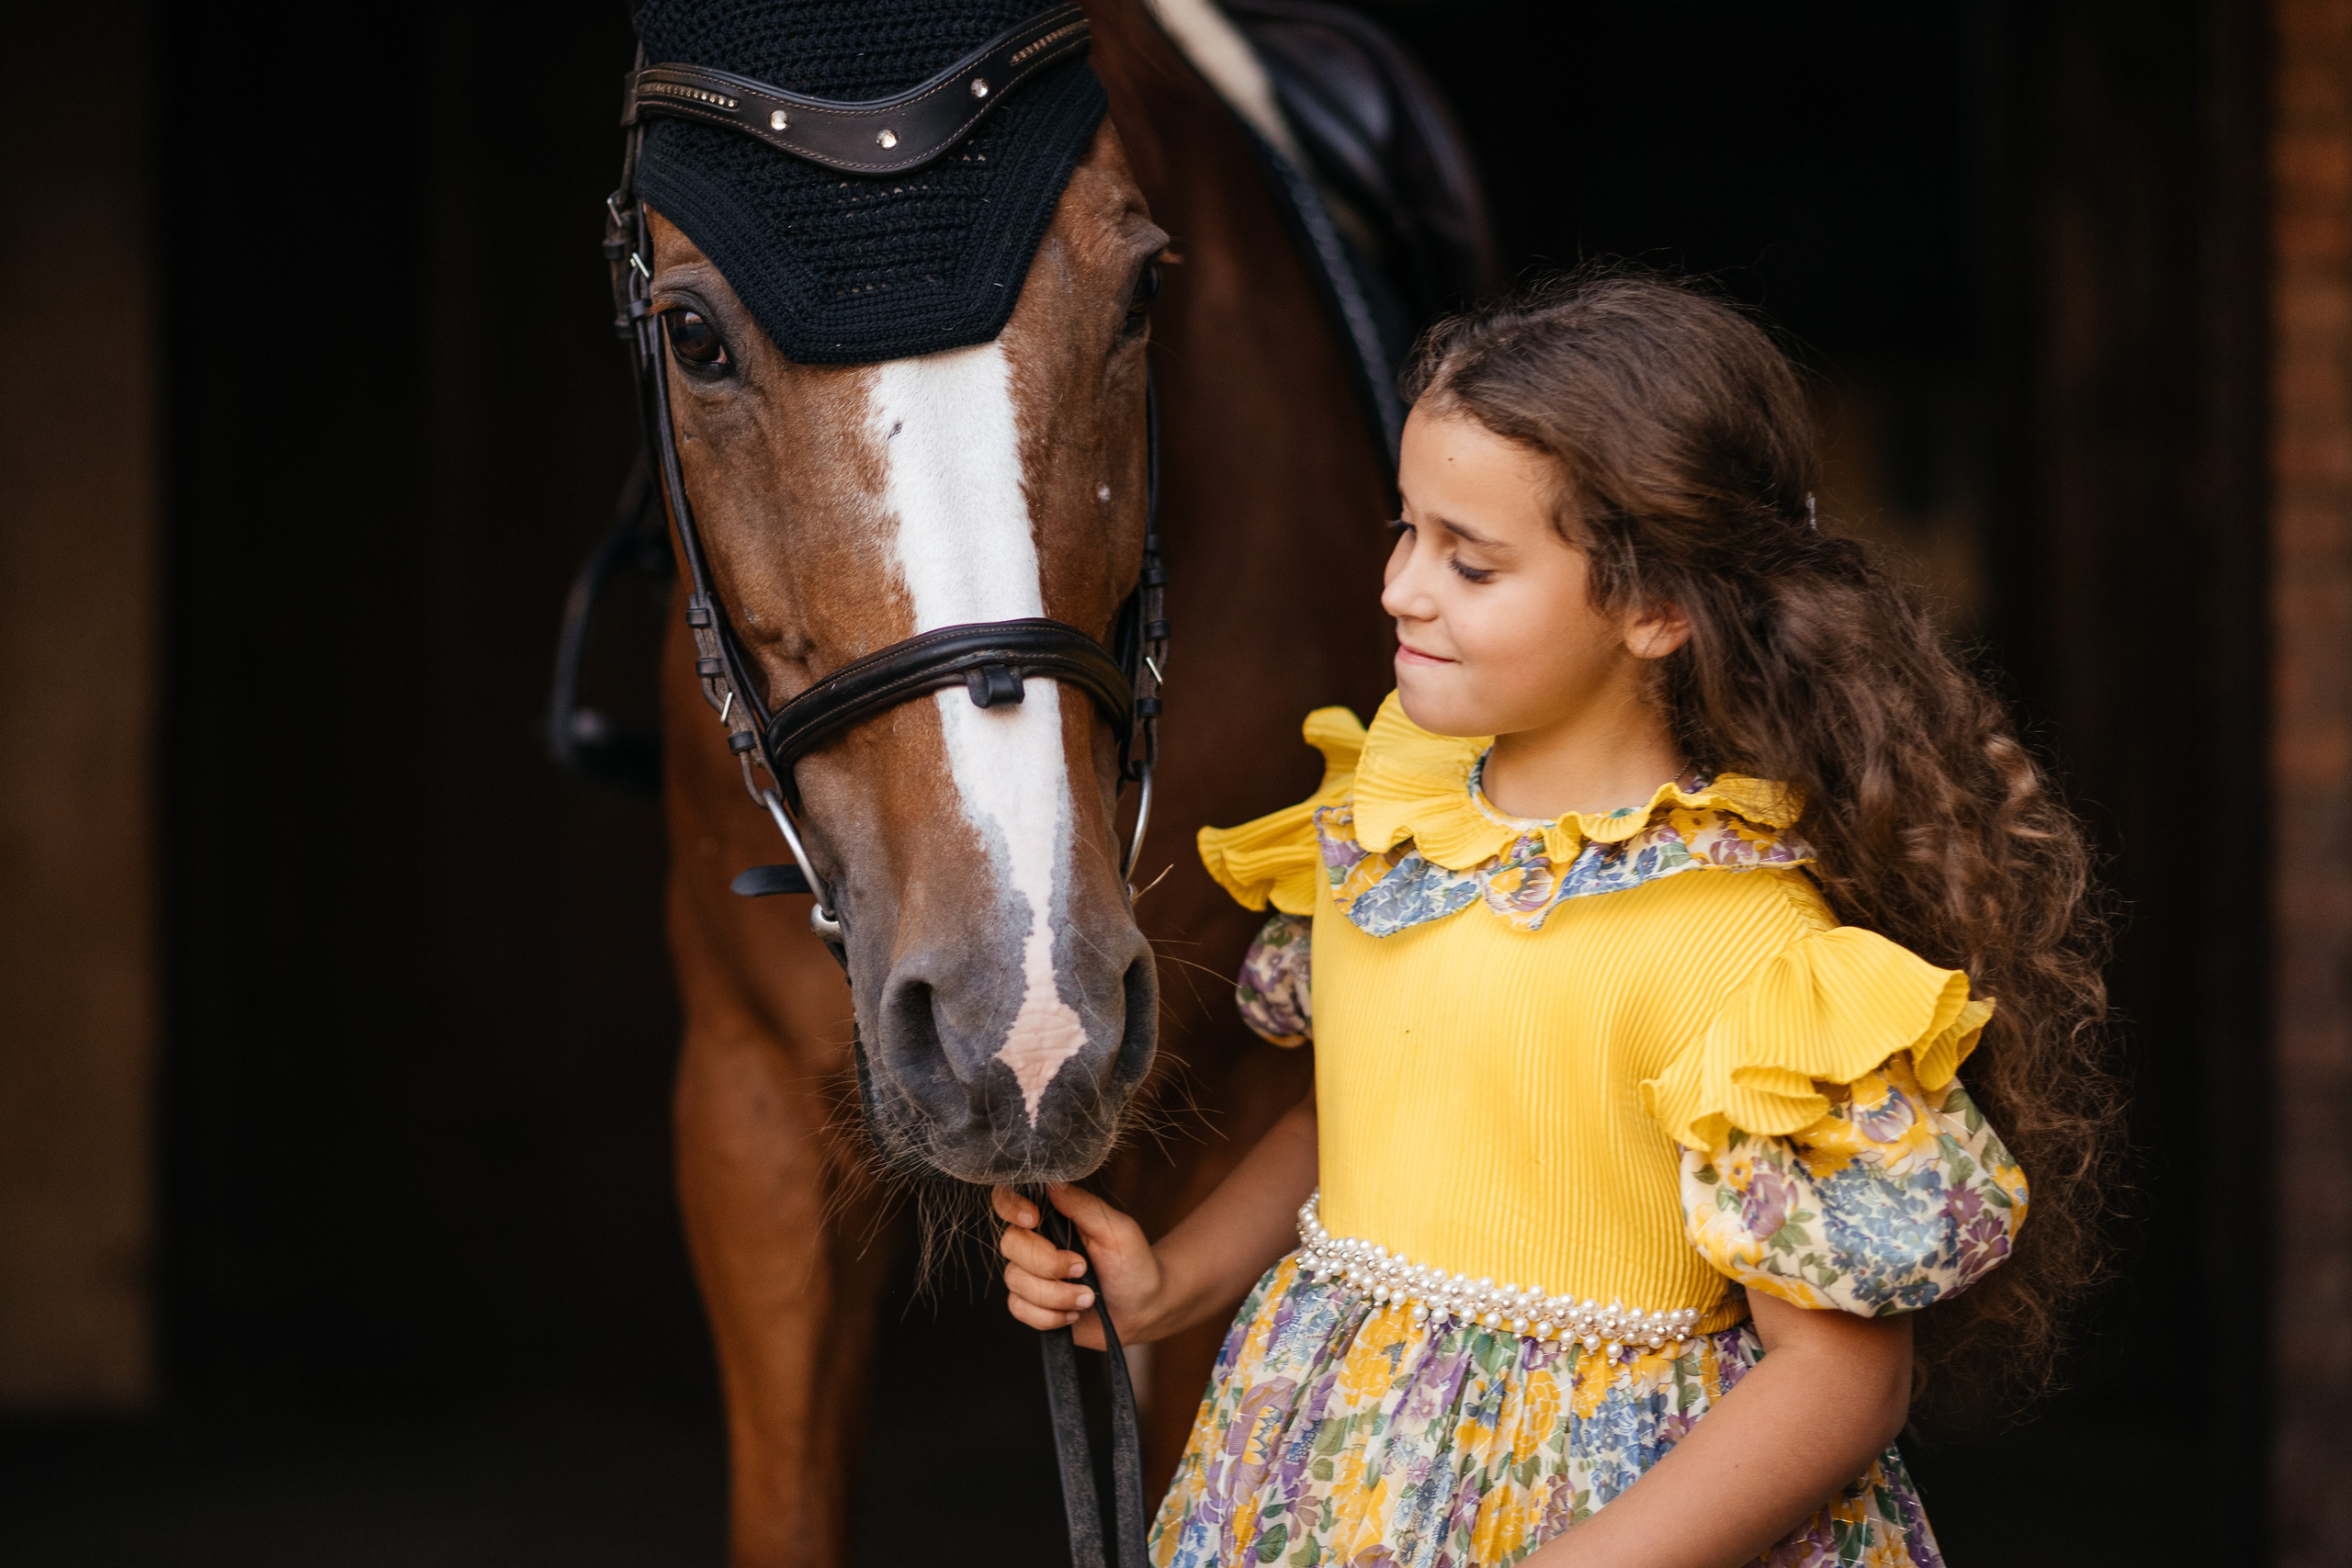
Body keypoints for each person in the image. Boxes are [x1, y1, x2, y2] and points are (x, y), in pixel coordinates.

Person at [995, 272, 2111, 1568]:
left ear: (1657, 608)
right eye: (1407, 531)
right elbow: (1348, 1111)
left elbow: (1844, 1384)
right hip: (1327, 1480)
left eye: (1470, 561)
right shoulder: (1386, 816)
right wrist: (1168, 1283)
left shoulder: (1746, 949)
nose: (1402, 588)